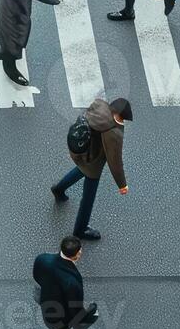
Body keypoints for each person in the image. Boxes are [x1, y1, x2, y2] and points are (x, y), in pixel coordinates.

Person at [51, 96, 132, 241]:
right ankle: (80, 230)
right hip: (94, 161)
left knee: (80, 170)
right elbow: (115, 162)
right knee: (88, 199)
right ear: (119, 116)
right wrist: (122, 184)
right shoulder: (113, 132)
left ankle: (58, 189)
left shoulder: (99, 105)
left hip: (81, 151)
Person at [16, 236, 88, 329]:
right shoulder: (72, 281)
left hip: (43, 300)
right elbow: (75, 308)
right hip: (57, 315)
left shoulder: (43, 258)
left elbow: (37, 276)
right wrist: (82, 321)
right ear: (78, 254)